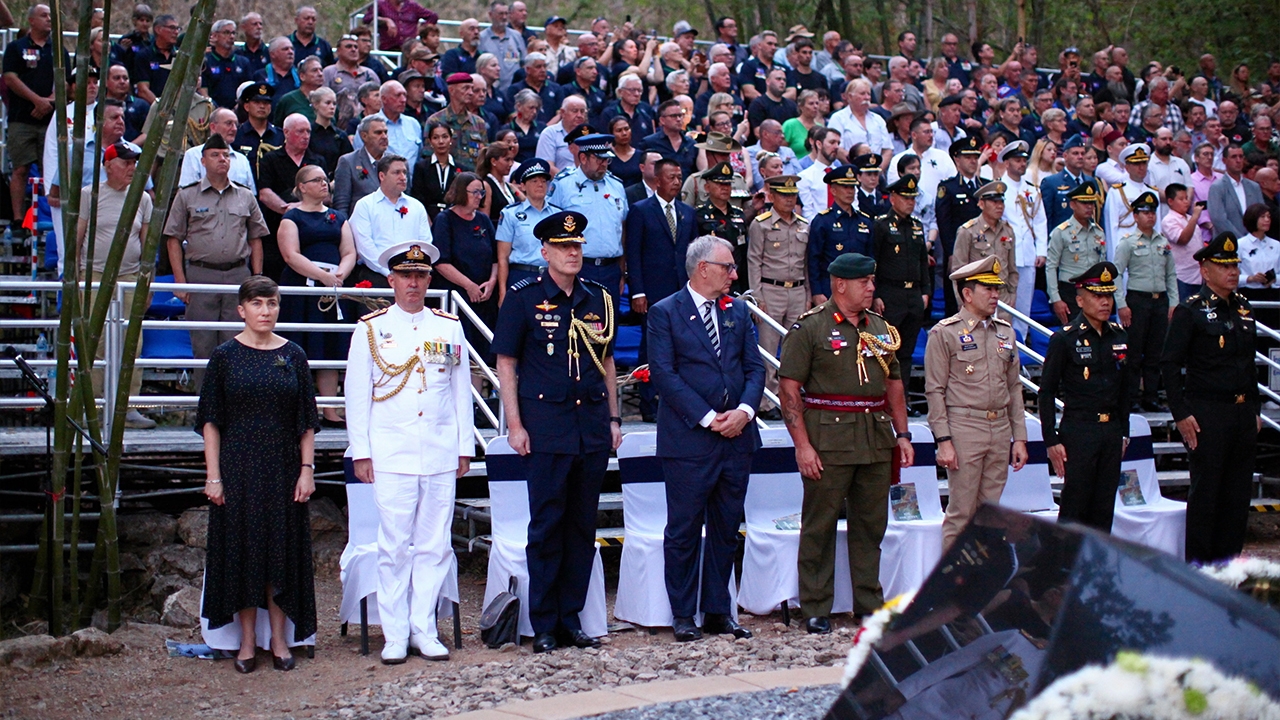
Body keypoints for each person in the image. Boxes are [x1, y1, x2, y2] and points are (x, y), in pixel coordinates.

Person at [492, 211, 621, 653]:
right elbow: (506, 362)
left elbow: (606, 361)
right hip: (545, 426)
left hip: (590, 426)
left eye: (579, 246)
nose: (573, 253)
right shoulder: (524, 297)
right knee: (546, 526)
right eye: (564, 247)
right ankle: (544, 623)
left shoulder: (597, 298)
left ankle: (572, 620)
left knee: (582, 528)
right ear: (544, 251)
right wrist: (513, 424)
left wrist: (615, 419)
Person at [346, 240, 473, 663]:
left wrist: (463, 446)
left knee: (435, 544)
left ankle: (424, 628)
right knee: (395, 545)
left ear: (429, 279)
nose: (413, 283)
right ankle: (395, 633)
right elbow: (356, 395)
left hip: (438, 448)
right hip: (392, 450)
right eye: (406, 275)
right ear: (392, 280)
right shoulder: (370, 328)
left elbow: (460, 390)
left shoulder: (448, 325)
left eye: (420, 275)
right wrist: (361, 451)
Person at [778, 252, 913, 631]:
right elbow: (789, 389)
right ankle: (816, 606)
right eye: (863, 282)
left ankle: (869, 602)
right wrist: (802, 445)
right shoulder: (810, 329)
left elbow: (894, 385)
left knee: (871, 524)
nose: (871, 288)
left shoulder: (882, 329)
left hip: (874, 436)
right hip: (828, 438)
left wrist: (902, 434)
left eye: (872, 281)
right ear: (840, 285)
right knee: (819, 525)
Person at [198, 275, 320, 674]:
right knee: (243, 554)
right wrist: (213, 476)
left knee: (281, 553)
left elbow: (306, 422)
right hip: (237, 468)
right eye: (257, 304)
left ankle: (280, 640)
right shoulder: (224, 357)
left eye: (271, 304)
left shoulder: (295, 355)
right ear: (242, 309)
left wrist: (307, 470)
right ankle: (247, 641)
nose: (265, 311)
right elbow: (211, 422)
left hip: (284, 468)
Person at [647, 236, 763, 642]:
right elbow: (664, 375)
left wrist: (744, 413)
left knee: (726, 528)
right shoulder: (666, 313)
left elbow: (755, 368)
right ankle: (683, 613)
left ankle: (718, 610)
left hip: (737, 438)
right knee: (683, 529)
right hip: (690, 440)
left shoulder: (739, 310)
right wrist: (710, 418)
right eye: (728, 266)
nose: (734, 274)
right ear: (702, 269)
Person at [1161, 233, 1259, 563]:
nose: (1232, 271)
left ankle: (1229, 565)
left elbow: (1248, 363)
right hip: (1208, 413)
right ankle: (1200, 568)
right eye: (1223, 265)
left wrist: (1255, 407)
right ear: (1205, 270)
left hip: (1242, 413)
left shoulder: (1243, 307)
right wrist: (1181, 413)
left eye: (1234, 265)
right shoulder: (1191, 311)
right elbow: (1170, 364)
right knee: (1207, 493)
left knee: (1237, 495)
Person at [925, 255, 1029, 550]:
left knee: (991, 515)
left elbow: (1014, 387)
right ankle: (951, 588)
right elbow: (934, 390)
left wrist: (1019, 437)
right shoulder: (945, 332)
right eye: (988, 289)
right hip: (964, 427)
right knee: (961, 514)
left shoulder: (1005, 331)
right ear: (967, 293)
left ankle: (982, 584)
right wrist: (943, 439)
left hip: (998, 427)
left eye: (997, 289)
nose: (996, 295)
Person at [1038, 260, 1130, 533]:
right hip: (1080, 430)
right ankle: (1063, 570)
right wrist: (1051, 439)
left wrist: (1123, 430)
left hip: (1111, 430)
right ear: (1080, 300)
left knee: (1104, 508)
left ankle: (1096, 571)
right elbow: (1046, 392)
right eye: (1097, 296)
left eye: (1108, 295)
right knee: (1075, 507)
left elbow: (1125, 388)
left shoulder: (1119, 336)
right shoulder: (1065, 339)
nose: (1105, 302)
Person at [165, 134, 270, 368]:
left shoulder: (244, 195)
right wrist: (180, 281)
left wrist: (256, 277)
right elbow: (173, 239)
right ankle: (206, 402)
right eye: (215, 155)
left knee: (238, 343)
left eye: (225, 155)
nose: (222, 159)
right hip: (201, 276)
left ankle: (232, 402)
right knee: (203, 346)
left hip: (237, 275)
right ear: (203, 161)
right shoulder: (187, 195)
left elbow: (256, 238)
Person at [76, 141, 156, 429]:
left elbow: (148, 243)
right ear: (109, 165)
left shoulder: (143, 199)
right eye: (125, 162)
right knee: (94, 340)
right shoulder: (90, 195)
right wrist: (74, 276)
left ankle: (129, 404)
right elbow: (78, 236)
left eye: (134, 163)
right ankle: (92, 404)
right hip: (95, 274)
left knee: (131, 342)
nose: (132, 168)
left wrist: (149, 282)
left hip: (131, 275)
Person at [277, 165, 357, 426]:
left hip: (332, 290)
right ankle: (295, 408)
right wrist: (321, 275)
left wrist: (339, 275)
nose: (324, 184)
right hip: (303, 290)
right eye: (317, 180)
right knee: (300, 344)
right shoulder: (292, 218)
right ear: (302, 186)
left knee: (330, 346)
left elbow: (348, 251)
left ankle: (330, 409)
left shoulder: (338, 216)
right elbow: (291, 254)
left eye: (326, 179)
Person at [625, 158, 696, 421]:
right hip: (653, 293)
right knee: (652, 347)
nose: (677, 182)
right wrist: (637, 292)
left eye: (679, 177)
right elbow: (633, 254)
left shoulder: (688, 213)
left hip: (683, 291)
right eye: (672, 177)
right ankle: (648, 401)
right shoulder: (641, 210)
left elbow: (693, 253)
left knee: (684, 345)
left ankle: (678, 400)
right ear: (657, 181)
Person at [748, 174, 811, 413]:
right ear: (772, 196)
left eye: (792, 195)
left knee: (794, 351)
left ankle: (790, 399)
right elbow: (753, 260)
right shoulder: (761, 223)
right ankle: (767, 402)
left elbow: (806, 264)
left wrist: (807, 295)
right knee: (768, 348)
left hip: (796, 290)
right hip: (770, 289)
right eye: (784, 195)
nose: (789, 199)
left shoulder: (804, 224)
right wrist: (757, 296)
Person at [1113, 191, 1178, 411]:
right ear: (1136, 216)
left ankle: (1151, 397)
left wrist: (1173, 302)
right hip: (1137, 300)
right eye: (1145, 213)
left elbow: (1171, 275)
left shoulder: (1163, 243)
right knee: (1133, 352)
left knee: (1155, 353)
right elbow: (1116, 274)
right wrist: (1121, 304)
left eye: (1152, 212)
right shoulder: (1128, 243)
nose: (1150, 217)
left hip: (1159, 300)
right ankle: (1131, 398)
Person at [3, 5, 65, 233]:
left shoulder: (58, 49)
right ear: (30, 20)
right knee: (20, 169)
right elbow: (10, 78)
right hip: (21, 119)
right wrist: (36, 100)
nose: (49, 19)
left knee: (50, 170)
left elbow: (66, 83)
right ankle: (19, 219)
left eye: (51, 15)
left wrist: (47, 102)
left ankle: (52, 217)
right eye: (44, 15)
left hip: (50, 121)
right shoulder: (16, 47)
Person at [548, 134, 628, 298]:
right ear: (583, 158)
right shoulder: (564, 184)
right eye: (599, 159)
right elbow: (552, 230)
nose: (604, 164)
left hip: (611, 268)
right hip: (577, 266)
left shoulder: (616, 185)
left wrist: (621, 270)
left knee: (610, 320)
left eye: (607, 160)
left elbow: (622, 228)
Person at [433, 172, 499, 360]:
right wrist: (468, 285)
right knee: (450, 354)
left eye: (482, 193)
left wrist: (492, 281)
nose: (479, 197)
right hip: (455, 296)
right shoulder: (444, 220)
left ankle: (478, 389)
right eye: (475, 192)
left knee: (480, 353)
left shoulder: (483, 220)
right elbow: (440, 261)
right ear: (462, 191)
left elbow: (495, 257)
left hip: (483, 297)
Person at [872, 175, 932, 371]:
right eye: (906, 198)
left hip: (913, 295)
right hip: (890, 294)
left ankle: (902, 399)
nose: (910, 203)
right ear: (893, 198)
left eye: (913, 198)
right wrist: (876, 294)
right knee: (887, 352)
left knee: (906, 353)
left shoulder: (917, 225)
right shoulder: (881, 224)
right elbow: (875, 262)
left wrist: (925, 291)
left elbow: (923, 261)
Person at [257, 115, 325, 281]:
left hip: (310, 232)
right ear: (286, 132)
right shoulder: (270, 159)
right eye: (300, 131)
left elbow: (326, 193)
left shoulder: (317, 160)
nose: (306, 136)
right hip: (276, 229)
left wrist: (304, 209)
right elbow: (265, 193)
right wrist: (287, 209)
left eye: (308, 131)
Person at [350, 154, 434, 284]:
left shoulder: (417, 206)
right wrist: (389, 272)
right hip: (376, 274)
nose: (403, 177)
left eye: (405, 172)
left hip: (412, 275)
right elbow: (365, 246)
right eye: (397, 173)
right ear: (382, 176)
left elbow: (425, 242)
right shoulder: (365, 205)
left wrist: (411, 271)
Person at [1000, 141, 1048, 335]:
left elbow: (1040, 222)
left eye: (1023, 160)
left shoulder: (1032, 190)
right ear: (1007, 163)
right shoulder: (998, 188)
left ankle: (1021, 345)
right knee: (1003, 305)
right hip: (1005, 254)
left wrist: (1042, 250)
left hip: (1028, 253)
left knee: (1023, 306)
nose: (1021, 164)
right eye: (1016, 160)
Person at [935, 135, 987, 315]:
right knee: (957, 301)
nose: (973, 161)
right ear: (957, 159)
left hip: (984, 250)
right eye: (968, 157)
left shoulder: (986, 187)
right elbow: (944, 223)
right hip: (960, 253)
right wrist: (950, 253)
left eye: (975, 157)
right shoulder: (948, 188)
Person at [807, 165, 873, 305]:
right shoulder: (823, 221)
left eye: (852, 187)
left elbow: (871, 258)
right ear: (833, 190)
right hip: (831, 287)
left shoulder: (864, 221)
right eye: (845, 187)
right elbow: (813, 260)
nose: (850, 192)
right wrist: (817, 291)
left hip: (859, 287)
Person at [1046, 182, 1108, 324]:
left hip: (1094, 290)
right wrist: (1056, 299)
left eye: (1091, 203)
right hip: (1070, 291)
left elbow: (1101, 263)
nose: (1089, 207)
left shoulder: (1098, 232)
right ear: (1072, 205)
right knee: (1074, 336)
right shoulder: (1061, 232)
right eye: (1084, 203)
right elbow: (1051, 267)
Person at [952, 181, 1019, 313]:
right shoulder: (968, 231)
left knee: (1003, 332)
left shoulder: (1008, 231)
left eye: (1001, 202)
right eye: (994, 202)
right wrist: (962, 301)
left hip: (1002, 297)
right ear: (981, 204)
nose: (999, 206)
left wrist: (1012, 295)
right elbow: (958, 270)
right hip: (977, 297)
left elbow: (1012, 268)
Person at [497, 158, 558, 297]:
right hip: (521, 274)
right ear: (523, 186)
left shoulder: (557, 215)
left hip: (552, 276)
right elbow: (503, 257)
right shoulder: (510, 214)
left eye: (543, 181)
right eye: (534, 181)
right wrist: (502, 292)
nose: (540, 185)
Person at [695, 161, 749, 287]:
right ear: (707, 187)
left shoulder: (738, 214)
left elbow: (743, 251)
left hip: (736, 278)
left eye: (728, 184)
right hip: (710, 280)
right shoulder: (699, 215)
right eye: (719, 184)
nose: (725, 188)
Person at [1103, 143, 1155, 258]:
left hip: (1148, 248)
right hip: (1125, 247)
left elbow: (1157, 228)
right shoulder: (1116, 192)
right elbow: (1112, 228)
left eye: (1144, 163)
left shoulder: (1153, 192)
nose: (1141, 167)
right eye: (1136, 164)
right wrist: (1114, 260)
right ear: (1127, 167)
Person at [1041, 135, 1099, 232]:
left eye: (1082, 153)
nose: (1080, 157)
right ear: (1065, 156)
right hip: (1063, 240)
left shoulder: (1091, 182)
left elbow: (1097, 215)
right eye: (1075, 153)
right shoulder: (1051, 182)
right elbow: (1046, 218)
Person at [333, 116, 387, 216]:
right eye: (378, 133)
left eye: (385, 132)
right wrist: (345, 229)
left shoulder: (396, 162)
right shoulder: (348, 162)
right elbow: (341, 203)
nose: (384, 136)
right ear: (364, 136)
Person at [1208, 145, 1265, 239]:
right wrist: (1242, 241)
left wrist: (1254, 238)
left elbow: (1262, 214)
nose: (1238, 160)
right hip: (1228, 245)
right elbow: (1218, 220)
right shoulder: (1217, 188)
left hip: (1255, 243)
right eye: (1234, 157)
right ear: (1224, 161)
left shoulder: (1254, 187)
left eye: (1241, 156)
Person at [409, 120, 459, 222]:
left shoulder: (461, 169)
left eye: (445, 137)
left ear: (451, 139)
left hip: (455, 219)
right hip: (428, 218)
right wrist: (426, 221)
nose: (441, 141)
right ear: (430, 141)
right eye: (436, 138)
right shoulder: (421, 167)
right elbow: (417, 197)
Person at [308, 88, 354, 177]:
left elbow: (349, 161)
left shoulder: (341, 135)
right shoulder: (309, 133)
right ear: (316, 105)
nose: (332, 107)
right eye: (327, 103)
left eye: (334, 103)